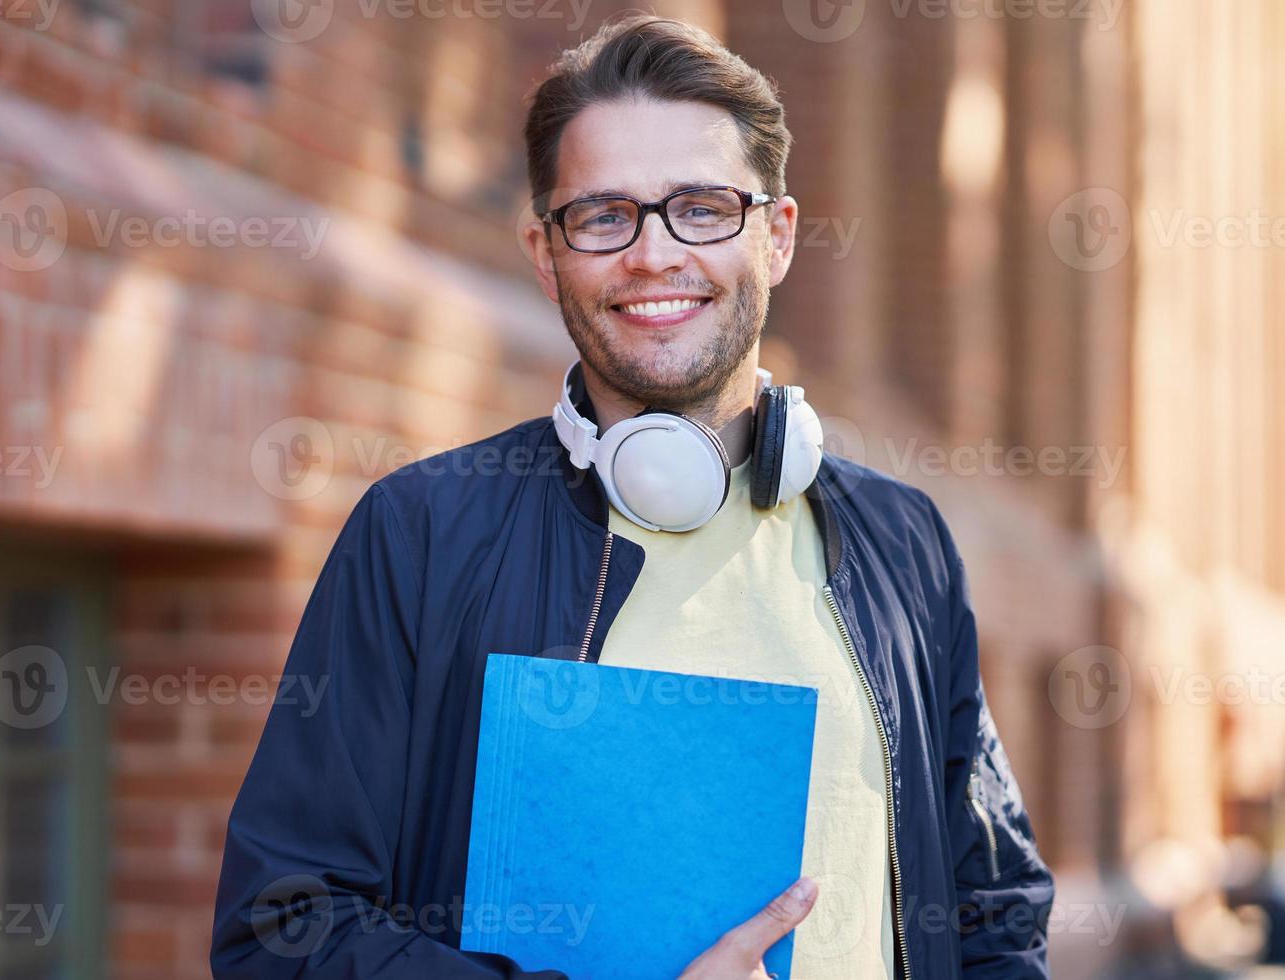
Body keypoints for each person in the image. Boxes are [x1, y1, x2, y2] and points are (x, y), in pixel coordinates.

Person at [211, 15, 1054, 979]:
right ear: (544, 250)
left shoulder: (904, 544)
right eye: (604, 215)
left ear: (777, 237)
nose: (654, 255)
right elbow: (281, 929)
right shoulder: (421, 534)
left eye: (701, 207)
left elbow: (995, 910)